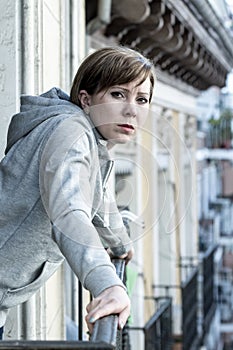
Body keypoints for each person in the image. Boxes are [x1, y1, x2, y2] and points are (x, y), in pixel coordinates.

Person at [0, 46, 155, 339]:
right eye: (118, 94)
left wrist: (119, 243)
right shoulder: (72, 134)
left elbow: (96, 194)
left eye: (142, 99)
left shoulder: (84, 135)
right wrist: (108, 285)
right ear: (86, 99)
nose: (131, 109)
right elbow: (69, 210)